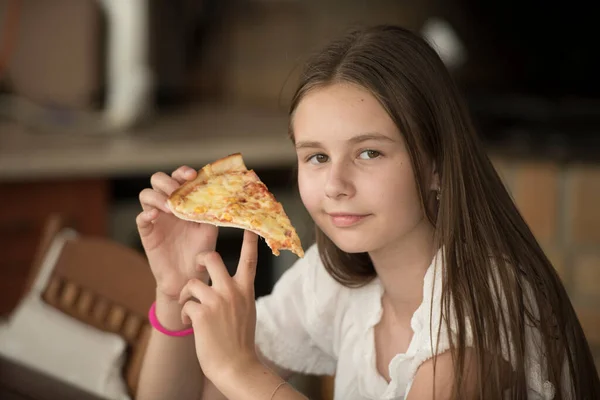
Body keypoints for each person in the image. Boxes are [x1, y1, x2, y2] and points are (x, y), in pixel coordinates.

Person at [135, 25, 600, 400]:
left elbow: (233, 379)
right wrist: (175, 295)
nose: (336, 185)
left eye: (369, 153)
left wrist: (238, 369)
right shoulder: (334, 280)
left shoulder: (474, 319)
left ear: (436, 166)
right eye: (317, 157)